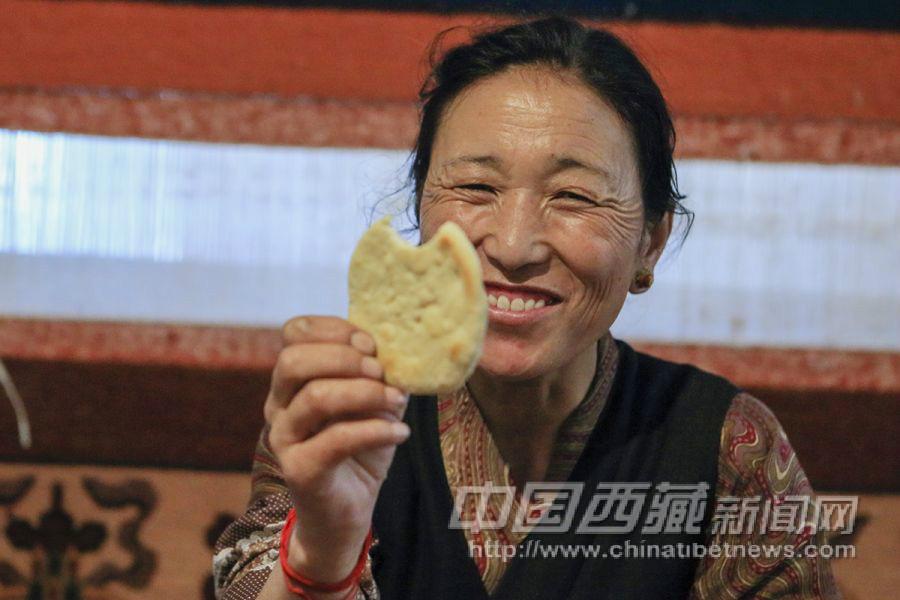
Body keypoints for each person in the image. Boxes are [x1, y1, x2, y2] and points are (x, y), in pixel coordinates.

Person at [213, 16, 840, 600]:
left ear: (650, 242)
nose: (513, 246)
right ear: (422, 209)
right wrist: (324, 548)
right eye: (475, 187)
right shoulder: (344, 416)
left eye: (574, 196)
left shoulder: (724, 444)